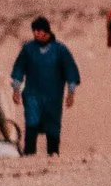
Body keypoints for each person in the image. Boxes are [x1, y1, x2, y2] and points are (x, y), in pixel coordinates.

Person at [10, 15, 81, 157]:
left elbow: (70, 71)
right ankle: (29, 154)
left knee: (53, 125)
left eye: (38, 30)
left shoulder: (60, 50)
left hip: (53, 97)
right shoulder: (28, 49)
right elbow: (19, 69)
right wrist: (16, 90)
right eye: (34, 31)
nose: (35, 34)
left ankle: (53, 155)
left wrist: (71, 93)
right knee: (31, 121)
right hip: (32, 94)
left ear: (45, 31)